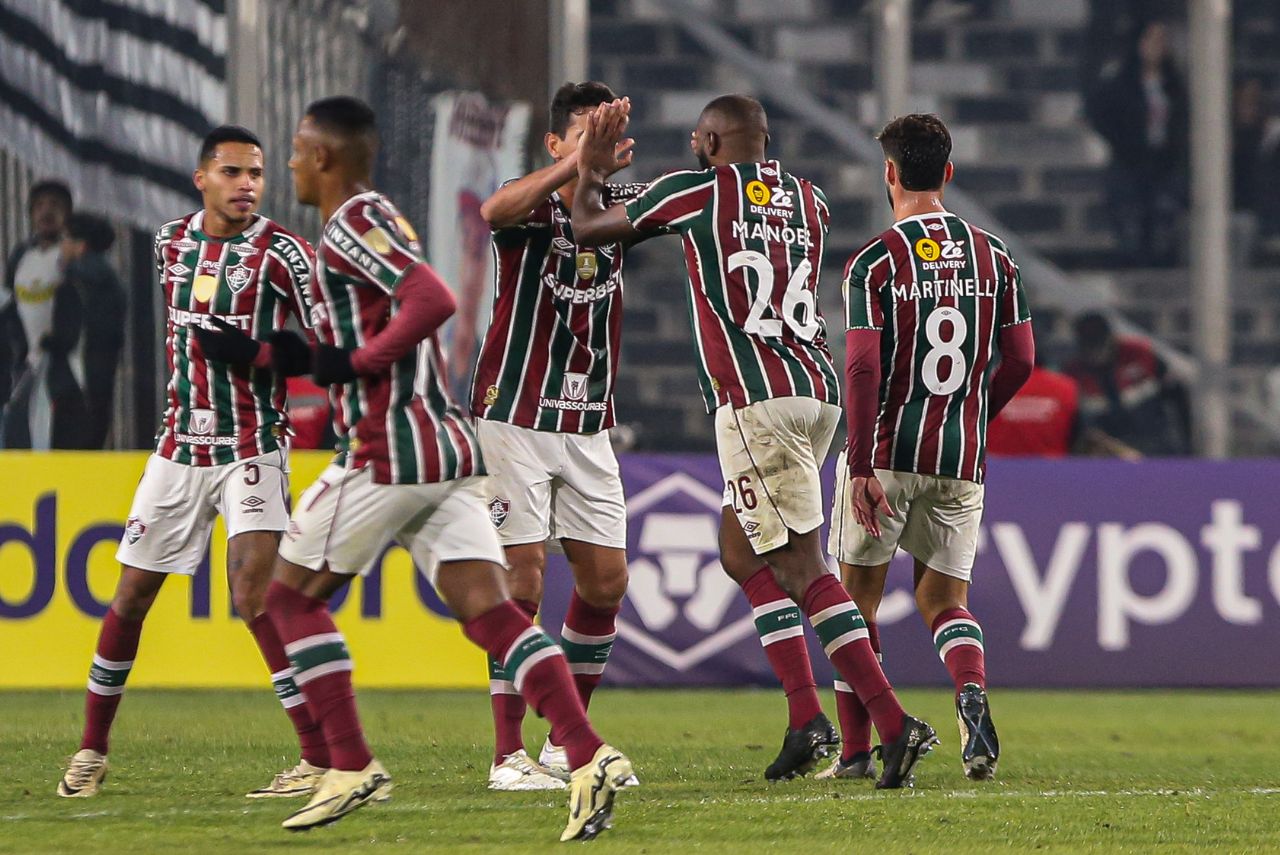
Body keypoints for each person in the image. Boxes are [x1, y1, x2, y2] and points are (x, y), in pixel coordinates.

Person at [211, 96, 633, 838]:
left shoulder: (353, 222)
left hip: (388, 446)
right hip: (445, 445)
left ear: (324, 158)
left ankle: (348, 762)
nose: (291, 168)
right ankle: (587, 753)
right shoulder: (366, 222)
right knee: (495, 611)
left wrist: (361, 362)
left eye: (298, 153)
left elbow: (430, 299)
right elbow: (353, 337)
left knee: (286, 599)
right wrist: (264, 355)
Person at [572, 94, 937, 789]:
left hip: (755, 397)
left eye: (696, 140)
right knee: (741, 549)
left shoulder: (697, 190)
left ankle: (892, 723)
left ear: (710, 141)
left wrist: (589, 163)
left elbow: (589, 226)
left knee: (800, 565)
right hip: (815, 388)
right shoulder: (812, 198)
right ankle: (806, 719)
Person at [56, 126, 325, 800]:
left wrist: (261, 354)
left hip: (252, 445)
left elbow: (331, 344)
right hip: (179, 447)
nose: (247, 185)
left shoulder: (284, 253)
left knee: (254, 594)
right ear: (200, 176)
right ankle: (91, 750)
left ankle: (318, 755)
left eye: (256, 173)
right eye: (232, 171)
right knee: (131, 596)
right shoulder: (170, 244)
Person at [829, 114, 1035, 782]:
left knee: (853, 603)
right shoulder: (996, 255)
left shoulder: (874, 262)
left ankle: (858, 751)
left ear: (889, 173)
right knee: (945, 603)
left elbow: (861, 368)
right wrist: (975, 414)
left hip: (886, 452)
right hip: (959, 458)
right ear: (948, 173)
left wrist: (859, 463)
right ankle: (969, 693)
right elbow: (1022, 359)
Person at [470, 80, 645, 792]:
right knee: (523, 578)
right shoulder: (531, 199)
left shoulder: (625, 208)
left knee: (606, 582)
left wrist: (600, 177)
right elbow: (492, 209)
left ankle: (557, 743)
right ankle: (506, 754)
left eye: (603, 137)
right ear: (553, 143)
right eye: (581, 134)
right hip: (514, 412)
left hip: (587, 422)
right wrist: (578, 168)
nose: (593, 148)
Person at [1084, 20, 1187, 264]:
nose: (1156, 47)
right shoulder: (1121, 82)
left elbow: (1180, 118)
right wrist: (1124, 141)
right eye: (1151, 40)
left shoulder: (1172, 84)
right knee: (1131, 211)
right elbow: (1101, 113)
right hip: (1130, 159)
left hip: (1163, 160)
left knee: (1162, 212)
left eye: (1161, 41)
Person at [2, 179, 88, 449]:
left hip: (68, 369)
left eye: (54, 205)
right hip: (26, 366)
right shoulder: (21, 257)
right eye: (39, 206)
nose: (46, 212)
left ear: (67, 214)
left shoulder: (74, 255)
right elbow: (8, 307)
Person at [1064, 311, 1190, 456]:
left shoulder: (1141, 355)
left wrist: (1186, 442)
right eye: (1090, 347)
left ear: (1110, 339)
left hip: (1154, 444)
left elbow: (1177, 394)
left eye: (1099, 346)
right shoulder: (1074, 374)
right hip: (1107, 452)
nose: (1096, 354)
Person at [60, 213, 126, 448]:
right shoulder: (109, 277)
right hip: (102, 367)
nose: (62, 247)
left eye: (66, 239)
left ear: (81, 245)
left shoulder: (78, 276)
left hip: (81, 369)